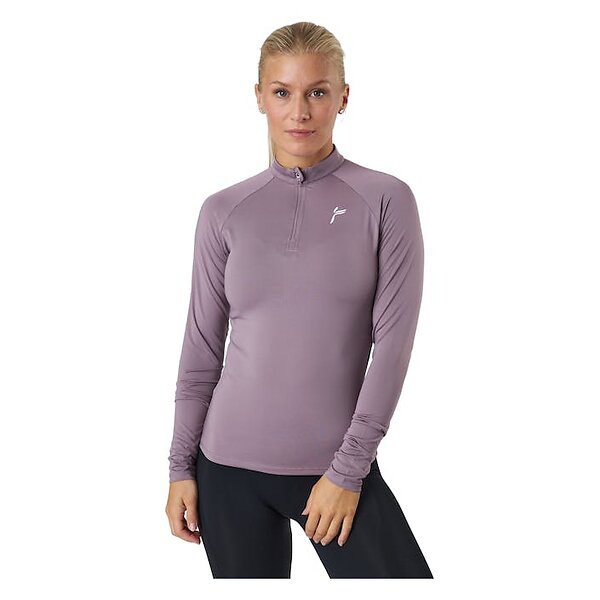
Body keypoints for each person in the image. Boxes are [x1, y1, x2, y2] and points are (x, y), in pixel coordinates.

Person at [165, 21, 433, 579]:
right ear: (259, 97)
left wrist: (349, 471)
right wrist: (180, 468)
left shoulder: (385, 200)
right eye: (283, 92)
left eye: (317, 91)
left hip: (336, 470)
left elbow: (393, 349)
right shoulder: (223, 211)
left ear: (343, 97)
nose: (300, 112)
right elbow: (201, 354)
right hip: (226, 470)